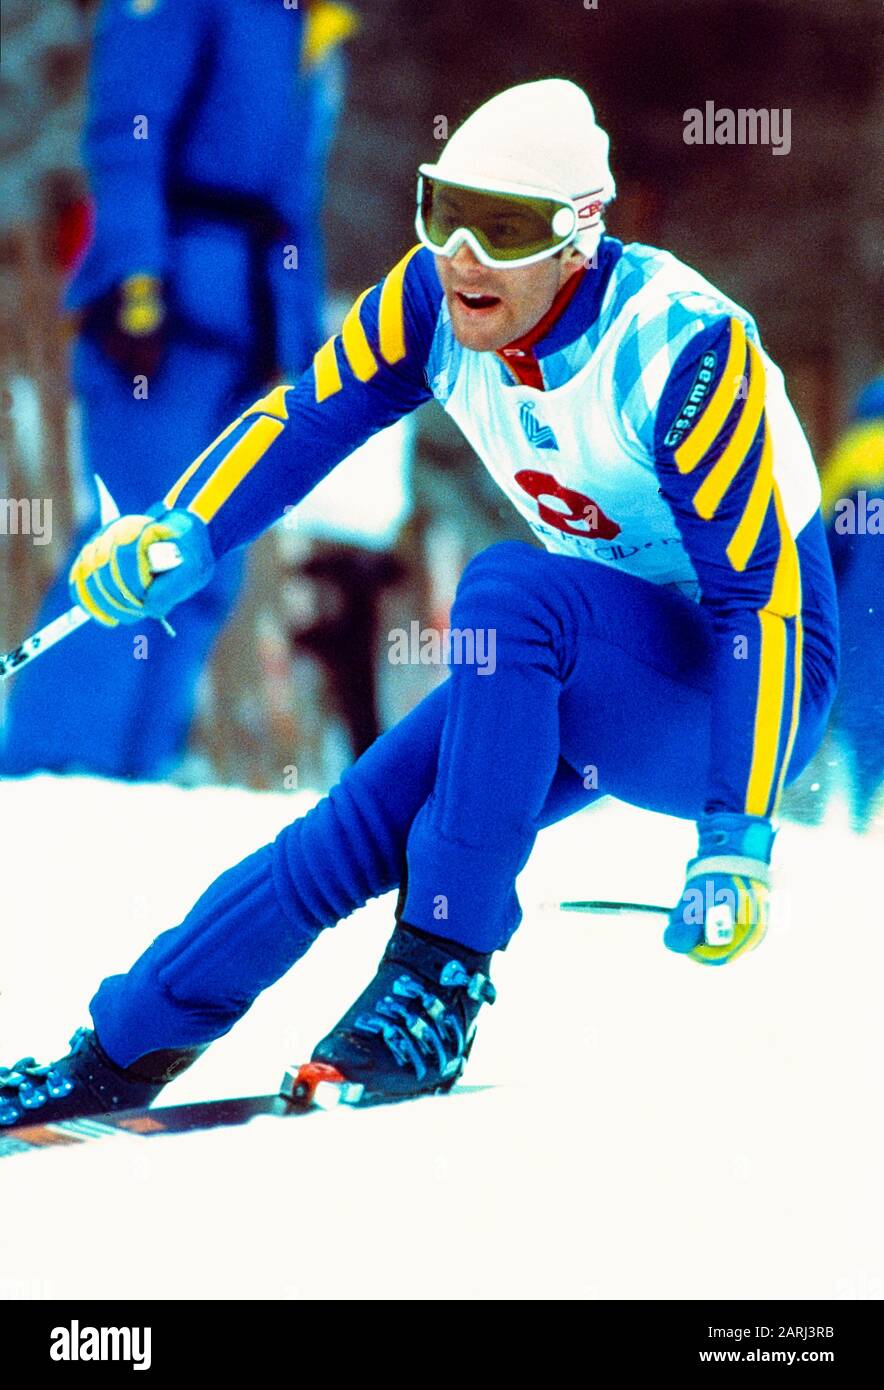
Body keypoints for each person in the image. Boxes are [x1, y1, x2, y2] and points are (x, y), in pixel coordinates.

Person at [0, 79, 839, 1125]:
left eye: (505, 228)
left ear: (577, 237)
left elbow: (756, 605)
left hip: (738, 696)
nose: (464, 255)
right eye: (443, 212)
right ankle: (119, 1047)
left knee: (506, 590)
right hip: (577, 656)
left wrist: (734, 833)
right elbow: (306, 415)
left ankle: (438, 975)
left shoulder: (678, 351)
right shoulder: (430, 300)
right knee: (354, 826)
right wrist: (180, 529)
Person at [0, 0, 355, 780]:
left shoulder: (315, 25)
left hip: (252, 324)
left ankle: (135, 772)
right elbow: (127, 132)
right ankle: (53, 769)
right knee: (126, 543)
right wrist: (135, 277)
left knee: (200, 555)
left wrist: (300, 350)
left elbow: (298, 203)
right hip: (163, 314)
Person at [821, 374, 884, 831]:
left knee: (865, 711)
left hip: (864, 616)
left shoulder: (854, 458)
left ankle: (862, 813)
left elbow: (826, 549)